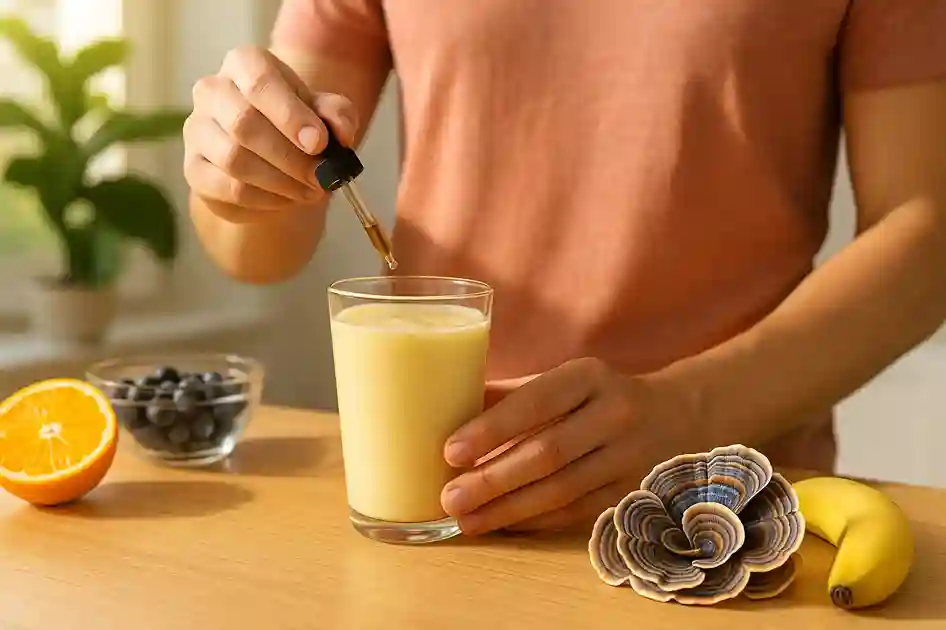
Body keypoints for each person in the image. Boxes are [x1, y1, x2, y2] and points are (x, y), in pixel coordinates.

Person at [183, 1, 946, 535]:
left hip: (728, 507)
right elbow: (253, 248)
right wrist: (241, 172)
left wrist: (689, 409)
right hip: (442, 500)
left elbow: (926, 234)